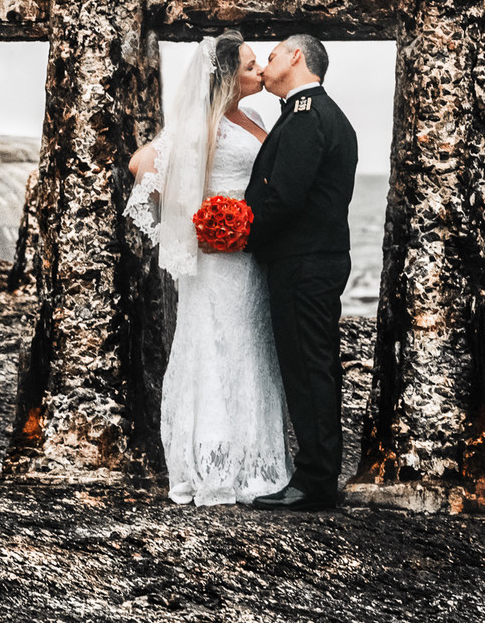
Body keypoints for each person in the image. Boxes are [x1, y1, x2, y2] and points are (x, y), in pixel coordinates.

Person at [124, 31, 292, 506]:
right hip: (219, 260)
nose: (259, 71)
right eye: (249, 66)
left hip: (252, 258)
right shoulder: (203, 123)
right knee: (216, 348)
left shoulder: (255, 115)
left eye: (258, 63)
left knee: (252, 348)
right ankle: (216, 467)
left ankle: (255, 463)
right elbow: (142, 164)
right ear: (225, 78)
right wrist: (203, 213)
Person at [245, 34, 358, 511]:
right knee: (314, 364)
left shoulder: (307, 117)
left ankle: (315, 481)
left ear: (296, 57)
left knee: (307, 367)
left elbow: (284, 198)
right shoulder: (310, 114)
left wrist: (242, 237)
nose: (265, 64)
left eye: (271, 56)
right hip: (315, 259)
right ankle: (317, 473)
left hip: (303, 262)